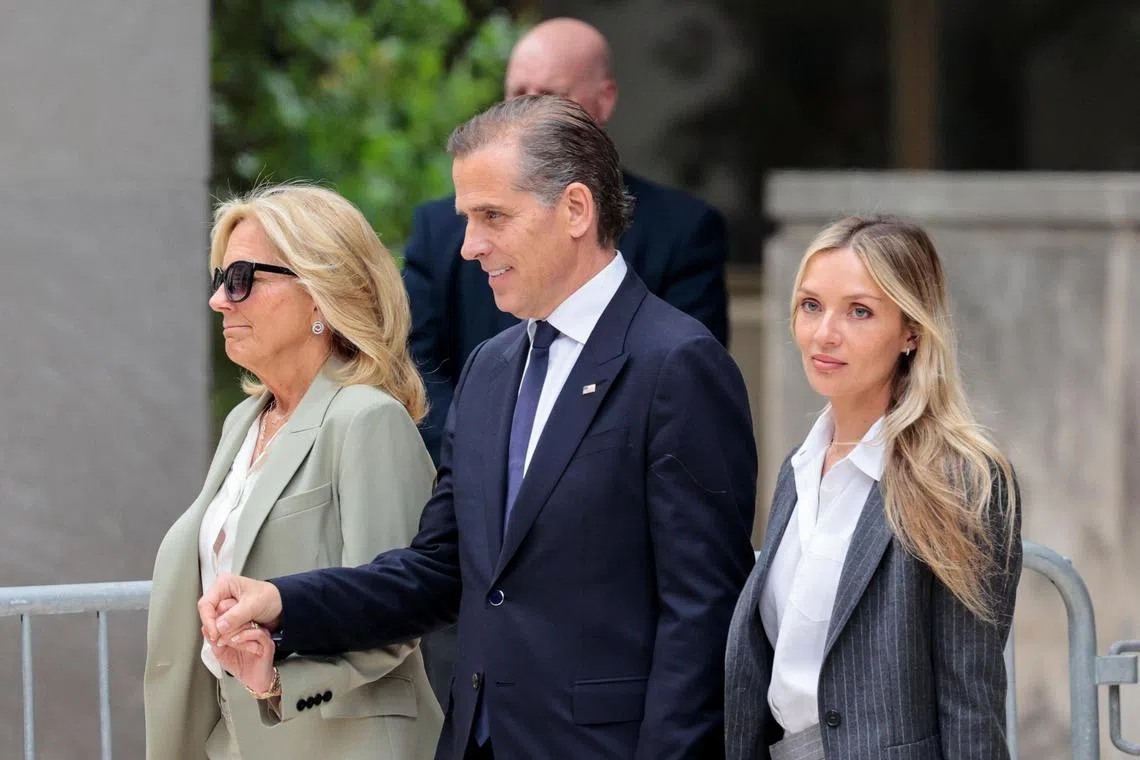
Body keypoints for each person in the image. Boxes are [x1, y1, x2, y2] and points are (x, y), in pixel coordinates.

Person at [199, 96, 758, 760]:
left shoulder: (677, 364)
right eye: (466, 219)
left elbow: (702, 616)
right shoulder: (490, 368)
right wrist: (282, 604)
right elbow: (438, 570)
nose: (469, 246)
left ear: (576, 209)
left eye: (492, 216)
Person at [144, 184, 443, 760]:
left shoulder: (368, 420)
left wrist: (279, 684)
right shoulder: (244, 422)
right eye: (220, 279)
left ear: (321, 296)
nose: (219, 301)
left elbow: (397, 610)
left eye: (242, 279)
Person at [724, 216, 1022, 760]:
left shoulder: (961, 480)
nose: (825, 333)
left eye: (859, 311)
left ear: (912, 331)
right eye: (811, 305)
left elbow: (971, 701)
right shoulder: (799, 468)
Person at [405, 16, 731, 467]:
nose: (473, 243)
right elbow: (416, 366)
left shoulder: (682, 232)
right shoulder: (440, 231)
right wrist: (478, 464)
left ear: (604, 100)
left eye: (550, 95)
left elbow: (682, 397)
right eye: (519, 93)